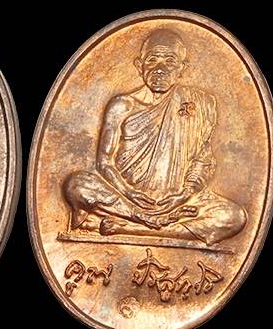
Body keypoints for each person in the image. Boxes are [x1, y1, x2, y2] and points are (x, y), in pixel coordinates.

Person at [63, 29, 246, 245]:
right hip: (125, 200)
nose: (160, 69)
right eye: (152, 60)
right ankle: (145, 220)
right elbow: (104, 162)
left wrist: (185, 194)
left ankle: (132, 229)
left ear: (182, 68)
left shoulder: (201, 104)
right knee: (76, 185)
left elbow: (203, 160)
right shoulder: (122, 105)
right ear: (139, 65)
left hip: (178, 203)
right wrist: (129, 194)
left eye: (170, 61)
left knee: (234, 216)